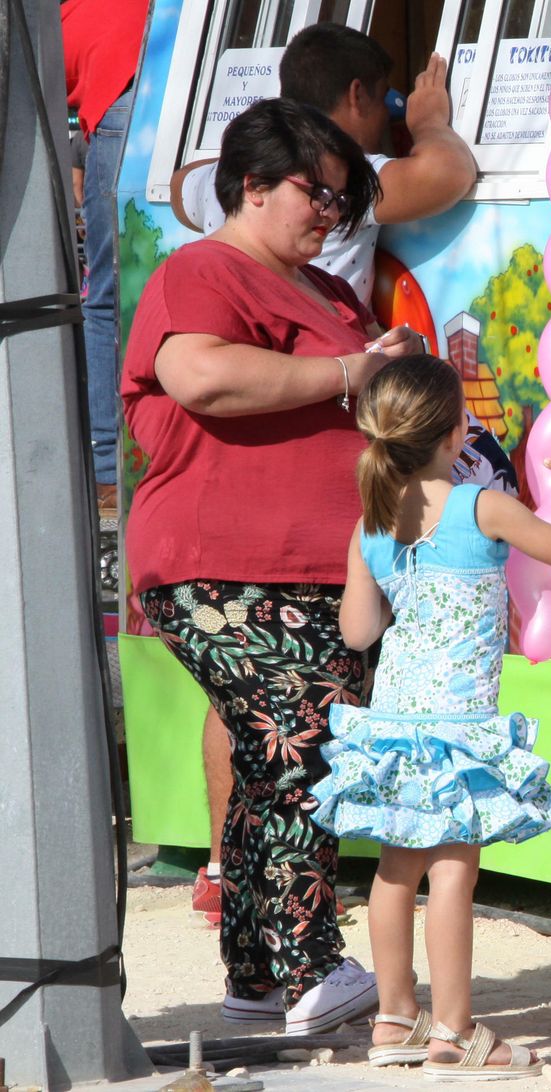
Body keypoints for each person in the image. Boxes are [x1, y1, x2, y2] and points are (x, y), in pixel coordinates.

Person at [176, 21, 481, 926]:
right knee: (293, 710)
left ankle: (235, 876)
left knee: (248, 704)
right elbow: (452, 172)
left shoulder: (214, 184)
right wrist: (428, 119)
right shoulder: (323, 189)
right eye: (325, 196)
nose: (332, 213)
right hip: (293, 520)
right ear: (356, 101)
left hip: (281, 526)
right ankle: (288, 934)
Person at [122, 97, 416, 1034]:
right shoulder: (202, 269)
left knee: (269, 762)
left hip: (325, 571)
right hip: (221, 565)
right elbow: (200, 375)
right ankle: (310, 967)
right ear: (251, 185)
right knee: (300, 749)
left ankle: (254, 977)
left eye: (342, 201)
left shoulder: (330, 294)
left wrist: (391, 375)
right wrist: (349, 374)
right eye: (315, 193)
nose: (329, 215)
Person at [307, 354, 551, 1078]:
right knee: (452, 873)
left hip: (393, 724)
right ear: (458, 429)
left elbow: (355, 633)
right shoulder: (483, 505)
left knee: (393, 872)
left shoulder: (371, 524)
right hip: (457, 727)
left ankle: (394, 1021)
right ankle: (456, 1030)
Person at [172, 22, 476, 306]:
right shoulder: (338, 181)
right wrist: (428, 121)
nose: (387, 116)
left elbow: (178, 185)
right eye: (383, 98)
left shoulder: (229, 175)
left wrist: (252, 152)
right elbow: (450, 173)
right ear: (357, 95)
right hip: (323, 352)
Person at [61, 0, 147, 515]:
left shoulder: (48, 17)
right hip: (158, 100)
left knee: (105, 302)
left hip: (122, 108)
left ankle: (109, 472)